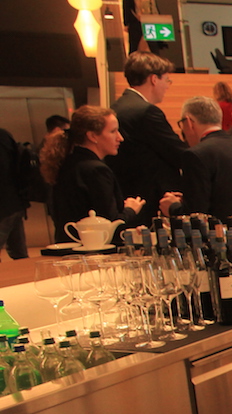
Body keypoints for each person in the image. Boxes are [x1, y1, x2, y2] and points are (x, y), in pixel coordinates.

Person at [40, 106, 145, 243]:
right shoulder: (96, 170)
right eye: (113, 131)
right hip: (91, 249)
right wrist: (130, 210)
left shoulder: (68, 162)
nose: (120, 138)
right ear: (92, 136)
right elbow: (108, 224)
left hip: (67, 244)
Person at [159, 96, 232, 222]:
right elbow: (229, 196)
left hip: (221, 231)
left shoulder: (196, 154)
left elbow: (196, 215)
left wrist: (173, 207)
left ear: (189, 122)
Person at [109, 51, 186, 222]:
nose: (167, 86)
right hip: (149, 199)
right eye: (167, 80)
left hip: (127, 194)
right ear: (154, 79)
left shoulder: (115, 107)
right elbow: (178, 153)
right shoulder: (146, 111)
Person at [0, 128, 31, 260]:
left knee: (18, 251)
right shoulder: (4, 135)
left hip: (5, 204)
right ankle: (27, 272)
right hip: (14, 200)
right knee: (19, 252)